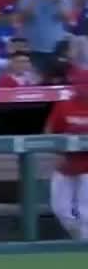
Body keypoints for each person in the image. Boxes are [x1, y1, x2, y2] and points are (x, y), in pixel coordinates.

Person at [45, 69, 88, 239]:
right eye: (80, 85)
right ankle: (79, 237)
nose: (83, 89)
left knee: (85, 211)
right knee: (60, 209)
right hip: (66, 164)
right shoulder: (64, 105)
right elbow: (49, 132)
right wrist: (58, 152)